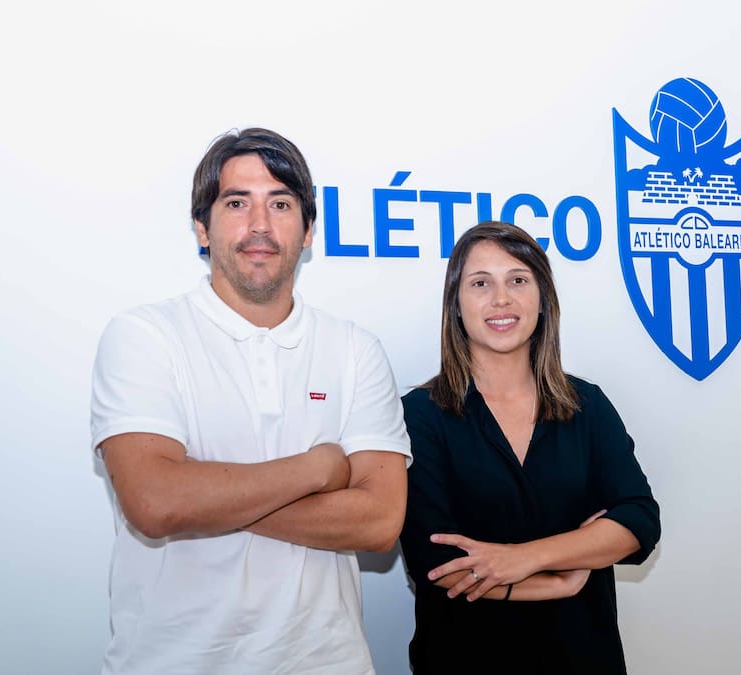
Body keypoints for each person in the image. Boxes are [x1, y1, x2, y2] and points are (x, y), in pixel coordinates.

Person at [90, 128, 410, 674]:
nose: (260, 224)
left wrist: (207, 494)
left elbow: (379, 522)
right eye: (237, 203)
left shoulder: (354, 349)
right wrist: (318, 468)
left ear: (308, 231)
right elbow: (155, 502)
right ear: (202, 227)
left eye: (280, 204)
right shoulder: (145, 336)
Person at [399, 221, 660, 674]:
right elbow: (437, 563)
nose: (501, 299)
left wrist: (523, 558)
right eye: (480, 283)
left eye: (518, 280)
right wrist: (562, 578)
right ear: (456, 305)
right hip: (464, 659)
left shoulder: (587, 406)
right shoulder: (420, 415)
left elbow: (639, 521)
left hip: (582, 659)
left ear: (543, 300)